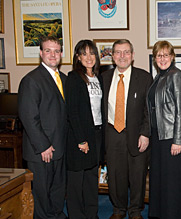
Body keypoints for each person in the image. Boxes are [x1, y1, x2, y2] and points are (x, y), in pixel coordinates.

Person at [102, 39, 153, 219]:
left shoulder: (144, 78)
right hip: (112, 133)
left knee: (138, 175)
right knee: (115, 175)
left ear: (132, 56)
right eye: (118, 52)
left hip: (137, 134)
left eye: (126, 52)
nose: (122, 56)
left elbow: (149, 110)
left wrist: (145, 133)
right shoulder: (104, 78)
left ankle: (135, 210)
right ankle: (118, 209)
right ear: (112, 56)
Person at [18, 36, 67, 219]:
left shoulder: (62, 78)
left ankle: (56, 215)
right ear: (40, 53)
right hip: (42, 151)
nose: (52, 55)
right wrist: (43, 146)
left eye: (56, 51)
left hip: (60, 148)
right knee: (41, 195)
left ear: (61, 54)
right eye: (48, 50)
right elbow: (28, 117)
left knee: (57, 190)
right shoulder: (31, 80)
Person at [148, 40, 181, 219]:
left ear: (172, 57)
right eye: (159, 55)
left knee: (173, 183)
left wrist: (177, 140)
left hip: (171, 138)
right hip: (158, 137)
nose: (162, 58)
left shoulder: (176, 75)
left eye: (166, 55)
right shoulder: (159, 77)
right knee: (161, 181)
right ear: (155, 58)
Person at [65, 40, 105, 218]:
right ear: (78, 57)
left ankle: (91, 213)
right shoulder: (74, 78)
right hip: (79, 136)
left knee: (91, 178)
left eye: (92, 53)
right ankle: (76, 215)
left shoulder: (99, 78)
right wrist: (81, 140)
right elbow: (72, 111)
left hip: (97, 133)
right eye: (84, 54)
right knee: (76, 181)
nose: (89, 57)